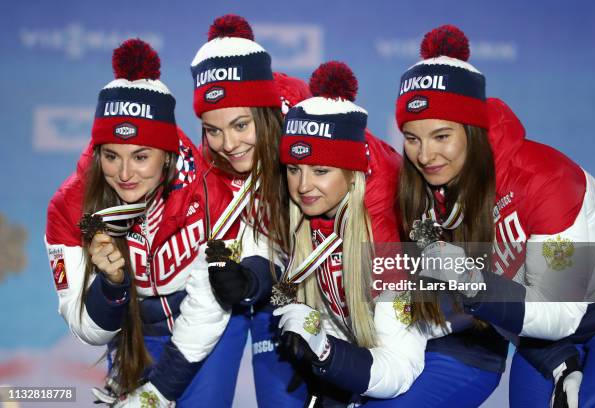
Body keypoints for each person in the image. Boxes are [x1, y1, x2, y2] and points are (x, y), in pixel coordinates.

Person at [394, 25, 595, 407]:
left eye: (441, 136)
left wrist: (474, 283)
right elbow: (503, 302)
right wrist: (558, 362)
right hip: (538, 333)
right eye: (413, 138)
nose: (425, 155)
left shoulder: (544, 177)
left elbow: (559, 307)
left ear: (472, 131)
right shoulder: (428, 198)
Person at [45, 39, 230, 407]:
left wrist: (158, 393)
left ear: (166, 155)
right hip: (132, 330)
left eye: (141, 156)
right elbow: (85, 329)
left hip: (205, 324)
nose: (125, 173)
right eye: (111, 156)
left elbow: (209, 306)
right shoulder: (70, 208)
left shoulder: (207, 190)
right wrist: (114, 285)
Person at [273, 60, 467, 406]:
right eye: (293, 169)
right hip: (382, 342)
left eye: (320, 170)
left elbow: (397, 368)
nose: (303, 185)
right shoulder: (310, 210)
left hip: (456, 345)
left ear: (352, 174)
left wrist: (325, 351)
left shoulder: (386, 231)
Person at [188, 14, 312, 407]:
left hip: (302, 287)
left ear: (264, 114)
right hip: (247, 278)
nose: (228, 143)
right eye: (213, 129)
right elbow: (234, 222)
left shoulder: (309, 130)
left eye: (241, 125)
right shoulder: (215, 147)